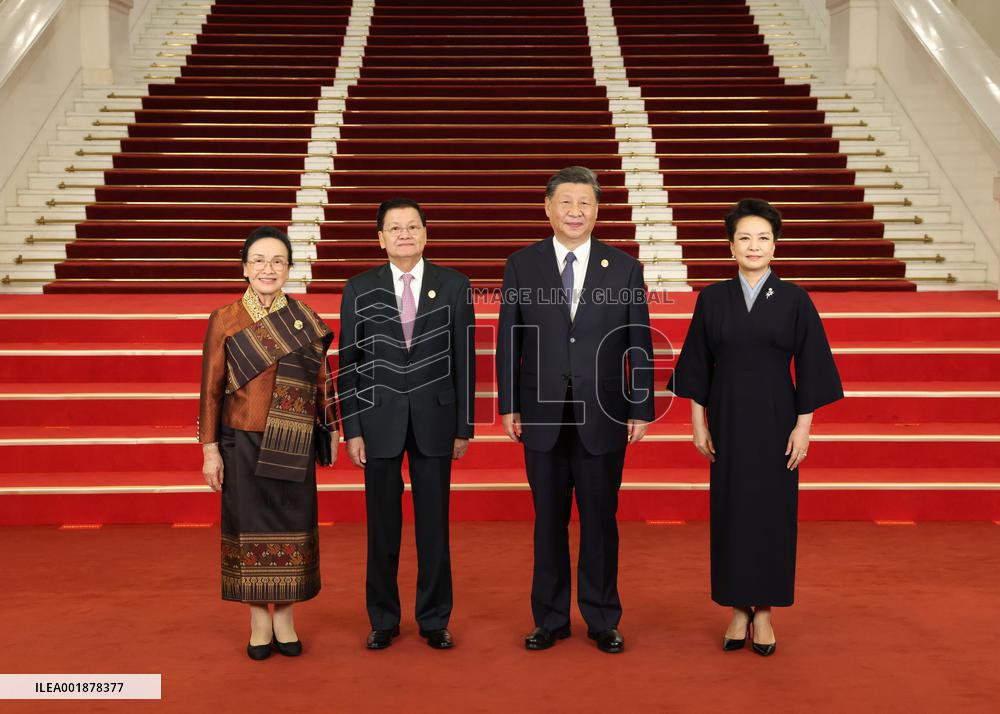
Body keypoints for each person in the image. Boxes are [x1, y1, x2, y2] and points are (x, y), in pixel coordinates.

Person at [669, 198, 843, 656]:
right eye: (744, 237)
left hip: (775, 422)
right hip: (726, 421)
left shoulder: (794, 300)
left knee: (771, 515)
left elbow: (812, 366)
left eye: (763, 237)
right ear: (730, 247)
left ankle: (763, 611)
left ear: (775, 246)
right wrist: (697, 422)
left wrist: (803, 428)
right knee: (731, 514)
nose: (754, 245)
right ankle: (736, 609)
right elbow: (696, 365)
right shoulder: (711, 298)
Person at [496, 166, 655, 654]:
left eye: (584, 203)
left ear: (597, 210)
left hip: (604, 413)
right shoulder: (522, 265)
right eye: (565, 202)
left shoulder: (624, 268)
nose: (574, 212)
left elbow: (639, 341)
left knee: (600, 519)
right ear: (547, 208)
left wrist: (641, 406)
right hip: (540, 413)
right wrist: (509, 404)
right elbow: (509, 340)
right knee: (548, 519)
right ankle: (549, 617)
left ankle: (602, 616)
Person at [338, 197, 476, 651]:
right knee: (382, 526)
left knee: (434, 526)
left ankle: (434, 618)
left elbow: (465, 361)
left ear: (425, 234)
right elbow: (349, 365)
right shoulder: (358, 289)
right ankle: (383, 618)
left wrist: (464, 426)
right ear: (380, 239)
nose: (404, 234)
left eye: (412, 226)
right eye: (394, 228)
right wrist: (351, 428)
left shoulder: (454, 285)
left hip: (436, 419)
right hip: (377, 422)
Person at [199, 226, 336, 661]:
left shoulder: (305, 319)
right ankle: (259, 621)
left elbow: (321, 382)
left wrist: (332, 429)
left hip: (293, 440)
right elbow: (210, 390)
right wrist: (209, 448)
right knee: (249, 533)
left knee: (291, 531)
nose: (268, 269)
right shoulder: (224, 319)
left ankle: (286, 620)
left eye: (278, 261)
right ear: (244, 267)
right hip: (240, 440)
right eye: (258, 260)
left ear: (289, 269)